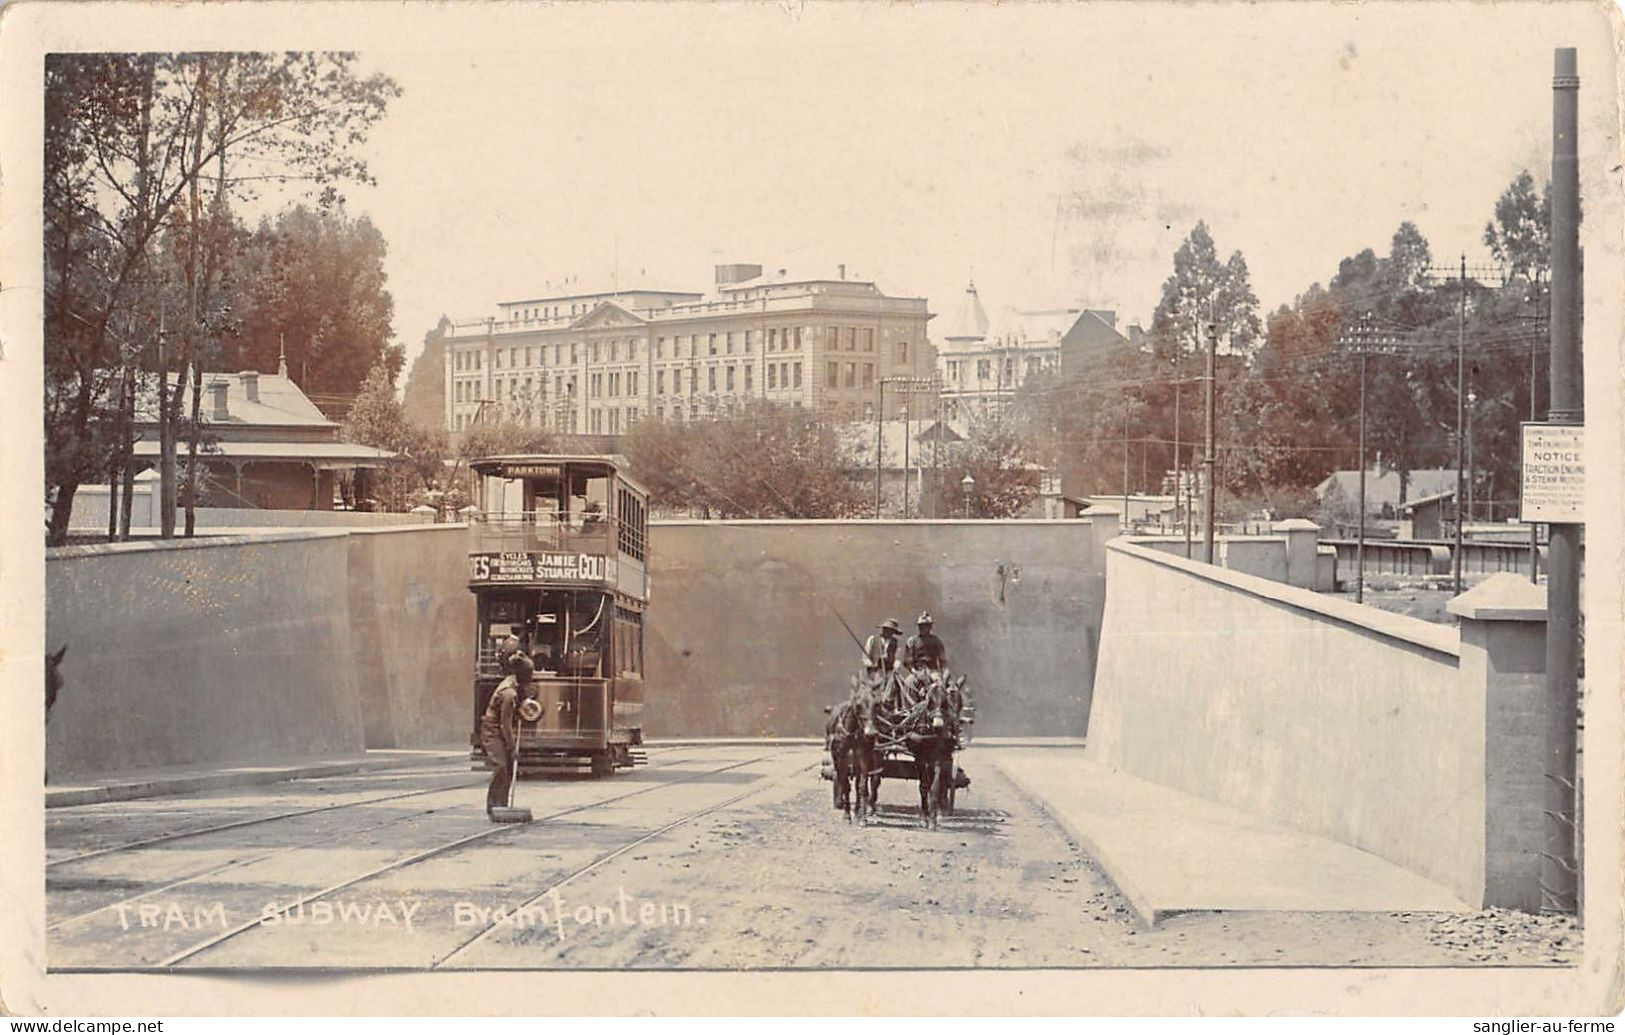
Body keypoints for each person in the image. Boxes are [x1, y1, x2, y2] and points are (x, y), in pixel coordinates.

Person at [479, 636, 535, 819]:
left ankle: (501, 804)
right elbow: (505, 724)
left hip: (498, 729)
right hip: (492, 731)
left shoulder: (513, 687)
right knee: (502, 766)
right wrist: (512, 748)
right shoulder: (508, 693)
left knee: (509, 768)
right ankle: (493, 805)